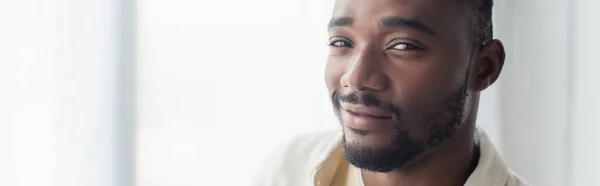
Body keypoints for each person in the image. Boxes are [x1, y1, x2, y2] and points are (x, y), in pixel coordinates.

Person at [254, 0, 529, 185]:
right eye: (342, 42)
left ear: (483, 67)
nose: (357, 78)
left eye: (403, 46)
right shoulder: (288, 169)